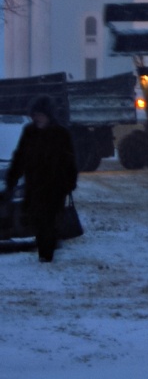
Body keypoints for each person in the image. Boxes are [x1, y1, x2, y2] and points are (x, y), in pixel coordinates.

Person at [4, 95, 77, 263]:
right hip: (35, 185)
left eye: (39, 114)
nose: (36, 118)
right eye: (34, 115)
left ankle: (46, 253)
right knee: (38, 218)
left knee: (48, 218)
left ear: (48, 115)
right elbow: (20, 157)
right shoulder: (29, 132)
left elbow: (69, 161)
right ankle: (45, 248)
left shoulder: (60, 133)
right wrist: (12, 179)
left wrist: (69, 183)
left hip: (54, 186)